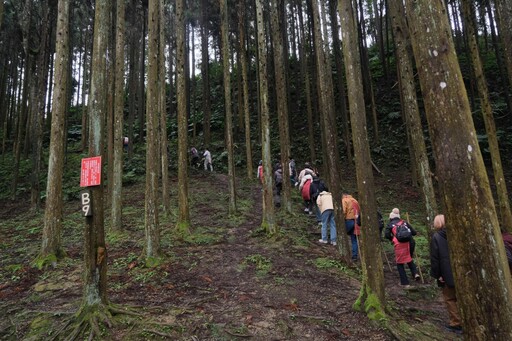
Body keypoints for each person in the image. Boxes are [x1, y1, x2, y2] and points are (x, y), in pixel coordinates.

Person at [430, 214, 462, 334]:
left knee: (450, 298)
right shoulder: (457, 233)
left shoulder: (437, 237)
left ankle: (456, 323)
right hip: (462, 272)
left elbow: (435, 258)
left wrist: (437, 274)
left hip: (446, 272)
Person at [385, 208, 420, 287]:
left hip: (400, 244)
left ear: (391, 217)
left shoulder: (390, 225)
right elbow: (414, 233)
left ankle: (405, 282)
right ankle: (415, 273)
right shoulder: (404, 222)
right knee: (409, 258)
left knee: (399, 263)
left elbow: (386, 235)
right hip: (410, 243)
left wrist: (393, 239)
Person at [342, 193, 360, 260]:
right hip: (356, 221)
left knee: (343, 236)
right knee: (354, 239)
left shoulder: (344, 200)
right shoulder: (355, 200)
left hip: (349, 220)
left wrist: (342, 219)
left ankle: (345, 253)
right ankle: (354, 255)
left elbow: (343, 211)